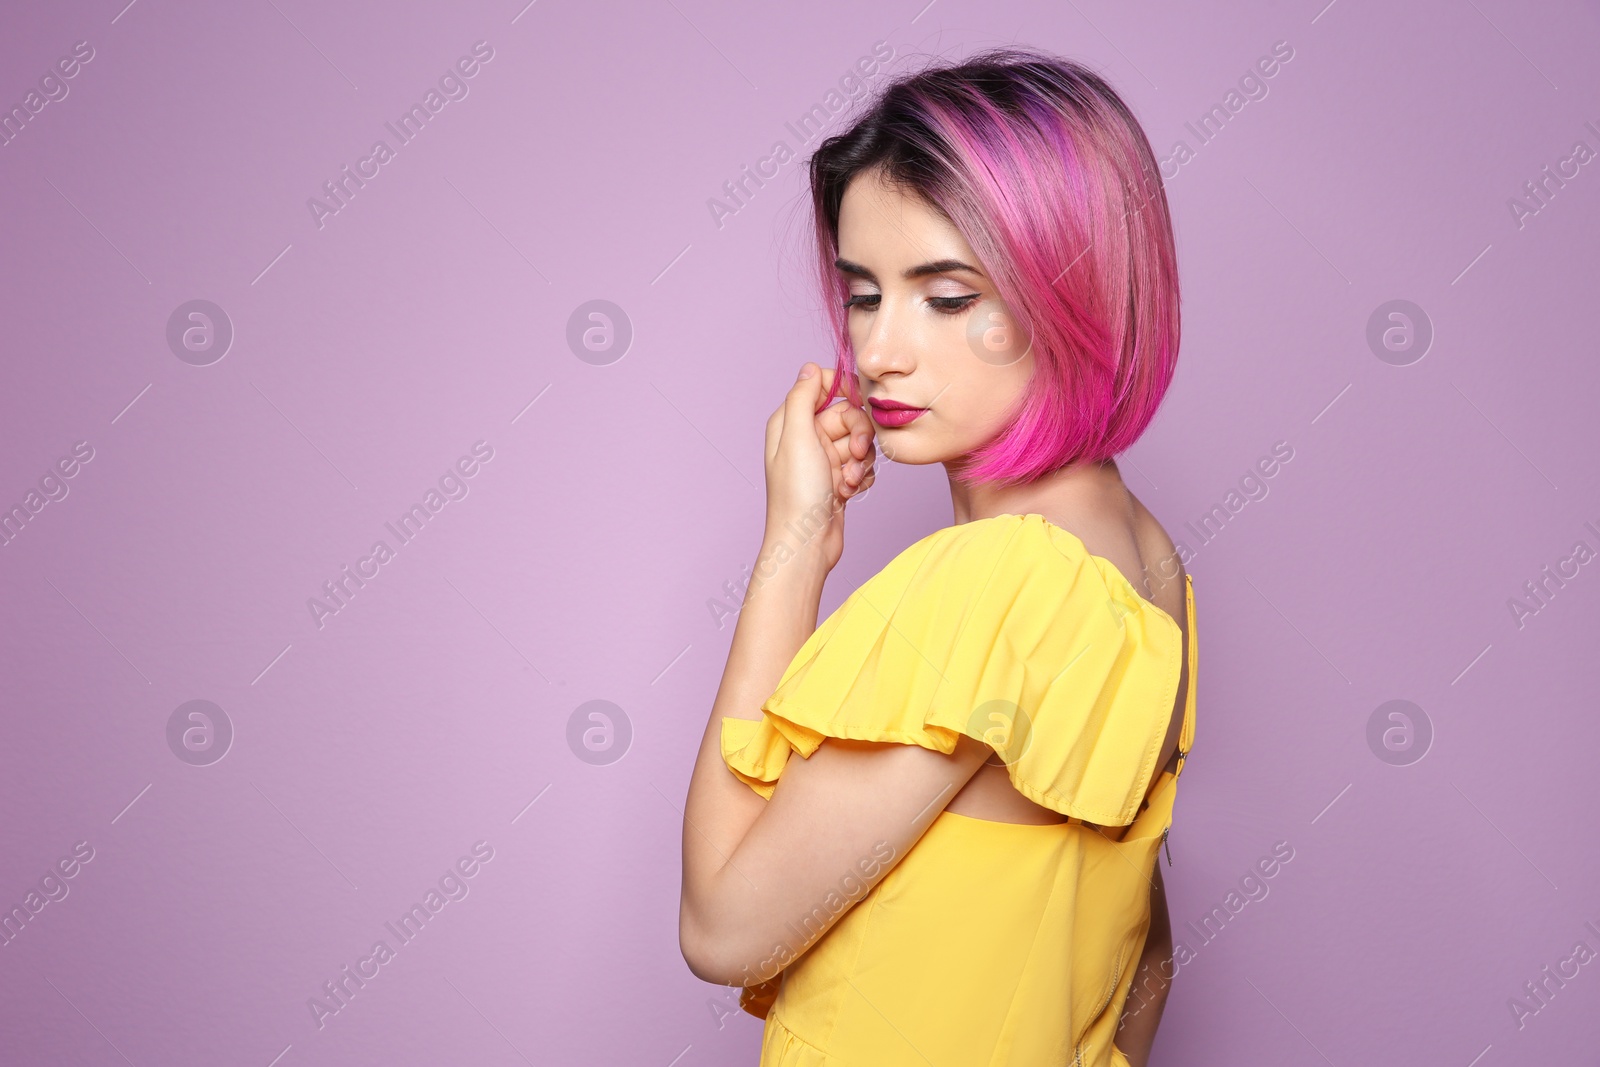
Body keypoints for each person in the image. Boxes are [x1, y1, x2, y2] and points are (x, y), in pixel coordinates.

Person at [678, 46, 1195, 1066]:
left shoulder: (993, 579)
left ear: (1076, 289)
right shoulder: (1143, 560)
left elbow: (720, 925)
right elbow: (1146, 960)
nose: (877, 353)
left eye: (947, 296)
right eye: (864, 293)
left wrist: (795, 544)